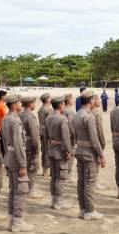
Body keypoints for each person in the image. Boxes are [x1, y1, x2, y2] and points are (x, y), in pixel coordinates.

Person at [73, 90, 106, 220]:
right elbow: (94, 139)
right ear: (91, 101)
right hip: (89, 153)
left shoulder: (76, 115)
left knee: (81, 182)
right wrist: (101, 155)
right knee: (89, 182)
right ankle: (89, 211)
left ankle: (82, 209)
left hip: (79, 151)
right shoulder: (89, 116)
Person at [1, 94, 30, 229]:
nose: (21, 104)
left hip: (9, 157)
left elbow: (5, 142)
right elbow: (18, 144)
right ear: (14, 106)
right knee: (21, 190)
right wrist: (23, 164)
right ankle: (17, 223)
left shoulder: (5, 119)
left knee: (13, 190)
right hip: (17, 159)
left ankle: (11, 220)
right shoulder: (15, 121)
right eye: (19, 103)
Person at [45, 96, 73, 209]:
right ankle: (58, 202)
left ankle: (53, 200)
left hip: (51, 149)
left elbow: (46, 137)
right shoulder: (62, 119)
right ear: (61, 105)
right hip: (60, 150)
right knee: (60, 177)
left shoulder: (48, 118)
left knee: (53, 176)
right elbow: (65, 138)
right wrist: (68, 151)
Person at [20, 96, 43, 199]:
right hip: (30, 146)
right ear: (30, 104)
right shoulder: (30, 117)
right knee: (32, 169)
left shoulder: (20, 115)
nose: (34, 105)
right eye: (33, 103)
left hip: (22, 145)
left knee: (24, 167)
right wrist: (37, 149)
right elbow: (34, 136)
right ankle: (31, 190)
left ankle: (25, 188)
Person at [37, 93, 53, 177]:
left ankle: (44, 169)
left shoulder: (40, 109)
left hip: (42, 131)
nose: (51, 99)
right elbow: (50, 122)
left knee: (44, 150)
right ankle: (47, 169)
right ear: (46, 99)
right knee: (48, 150)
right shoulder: (48, 109)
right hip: (47, 131)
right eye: (50, 98)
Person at [63, 93, 77, 179]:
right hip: (69, 137)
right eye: (72, 99)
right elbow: (71, 125)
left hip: (62, 136)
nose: (73, 100)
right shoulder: (69, 111)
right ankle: (68, 174)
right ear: (68, 100)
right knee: (71, 154)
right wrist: (75, 135)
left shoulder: (62, 110)